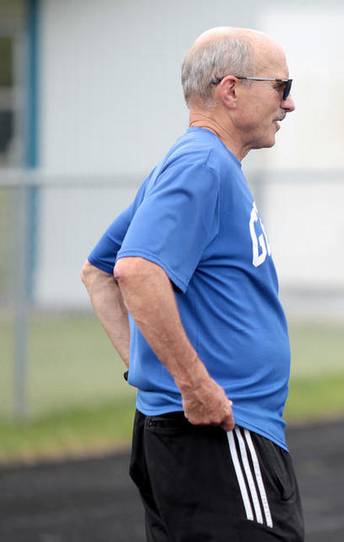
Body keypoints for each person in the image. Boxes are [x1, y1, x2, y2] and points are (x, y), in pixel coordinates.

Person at [80, 27, 303, 541]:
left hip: (199, 436)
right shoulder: (201, 164)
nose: (288, 104)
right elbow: (133, 271)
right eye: (280, 86)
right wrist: (192, 385)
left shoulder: (196, 162)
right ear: (230, 90)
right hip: (220, 436)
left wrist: (153, 371)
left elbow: (100, 271)